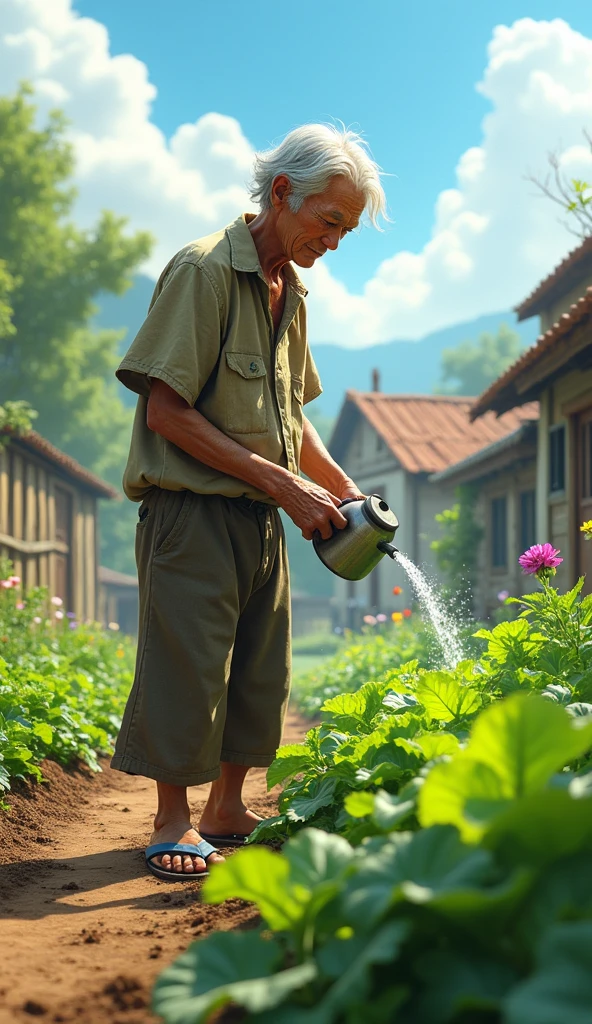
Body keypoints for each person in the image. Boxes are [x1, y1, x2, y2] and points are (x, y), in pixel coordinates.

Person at [111, 123, 386, 880]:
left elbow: (291, 415)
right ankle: (171, 819)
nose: (334, 241)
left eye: (347, 229)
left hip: (262, 515)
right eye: (329, 221)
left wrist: (343, 490)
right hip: (191, 510)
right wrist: (284, 484)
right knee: (188, 665)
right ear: (280, 194)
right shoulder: (203, 272)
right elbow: (166, 412)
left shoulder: (291, 292)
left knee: (261, 667)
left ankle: (226, 807)